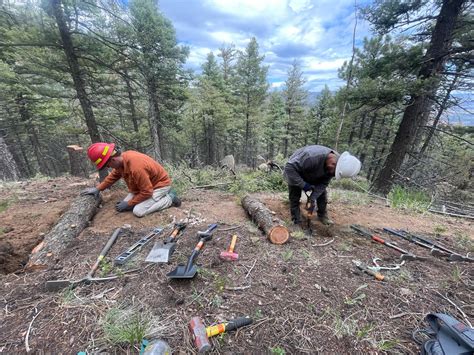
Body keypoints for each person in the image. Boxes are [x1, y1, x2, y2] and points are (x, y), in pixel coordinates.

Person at [81, 142, 181, 217]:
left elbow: (147, 192)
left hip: (159, 186)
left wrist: (129, 203)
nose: (108, 167)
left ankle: (170, 199)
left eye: (107, 165)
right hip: (143, 187)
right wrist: (98, 189)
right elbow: (113, 176)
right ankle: (142, 201)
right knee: (125, 205)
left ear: (113, 159)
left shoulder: (136, 166)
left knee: (138, 211)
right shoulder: (121, 162)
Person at [284, 145, 361, 226]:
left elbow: (323, 184)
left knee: (322, 195)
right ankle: (296, 221)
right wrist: (303, 185)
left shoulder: (336, 165)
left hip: (314, 174)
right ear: (333, 163)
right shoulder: (310, 156)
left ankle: (322, 216)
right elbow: (289, 168)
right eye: (333, 172)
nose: (331, 174)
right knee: (294, 197)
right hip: (296, 172)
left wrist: (312, 199)